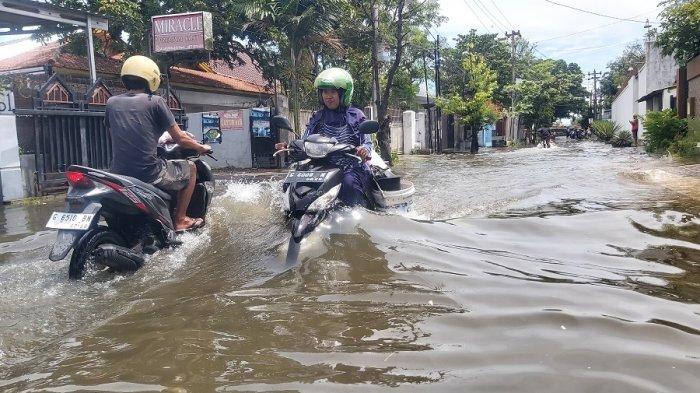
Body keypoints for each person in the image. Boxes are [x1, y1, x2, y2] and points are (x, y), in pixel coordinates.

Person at [106, 55, 212, 231]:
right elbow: (181, 139)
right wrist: (202, 147)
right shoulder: (156, 102)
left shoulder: (111, 102)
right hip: (148, 172)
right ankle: (181, 219)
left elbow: (122, 135)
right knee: (191, 168)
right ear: (152, 79)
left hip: (118, 173)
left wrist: (159, 138)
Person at [275, 68, 372, 207]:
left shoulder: (356, 115)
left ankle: (357, 219)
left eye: (333, 91)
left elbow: (367, 143)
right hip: (320, 166)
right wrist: (289, 147)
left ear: (343, 94)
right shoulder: (317, 116)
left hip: (350, 166)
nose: (328, 96)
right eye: (325, 92)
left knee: (350, 184)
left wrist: (363, 150)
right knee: (290, 183)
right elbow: (306, 140)